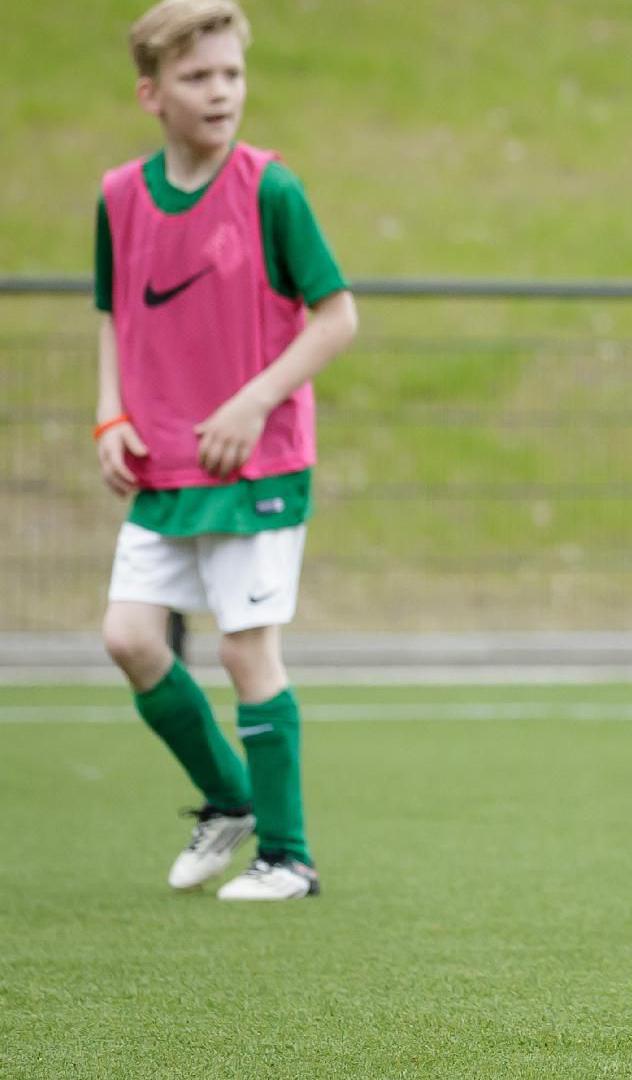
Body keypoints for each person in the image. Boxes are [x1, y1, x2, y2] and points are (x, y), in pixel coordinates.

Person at [95, 0, 357, 901]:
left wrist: (252, 401)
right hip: (163, 463)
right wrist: (108, 415)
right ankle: (232, 801)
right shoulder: (121, 197)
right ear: (151, 93)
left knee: (248, 653)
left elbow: (337, 317)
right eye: (197, 77)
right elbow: (112, 316)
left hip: (257, 464)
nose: (220, 93)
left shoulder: (270, 190)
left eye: (232, 75)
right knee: (129, 638)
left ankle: (289, 859)